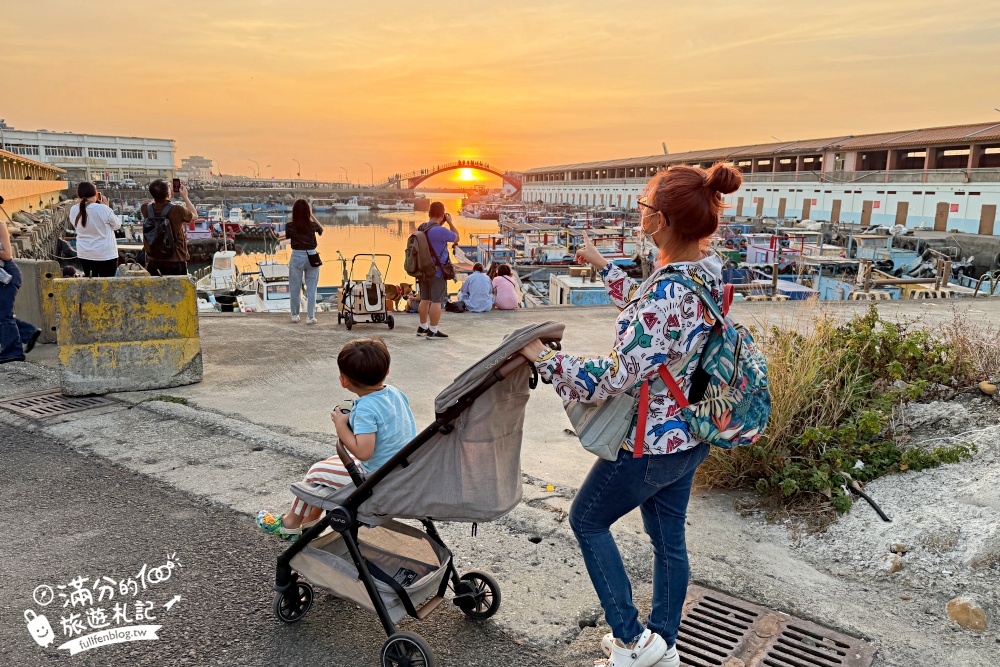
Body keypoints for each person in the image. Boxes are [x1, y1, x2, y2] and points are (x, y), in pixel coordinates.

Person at [518, 163, 742, 667]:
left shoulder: (666, 293)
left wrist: (545, 359)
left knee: (587, 520)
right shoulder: (704, 273)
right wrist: (603, 265)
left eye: (644, 207)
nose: (639, 213)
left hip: (647, 444)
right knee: (669, 542)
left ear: (660, 220)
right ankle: (664, 642)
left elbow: (611, 376)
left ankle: (631, 640)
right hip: (689, 434)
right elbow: (653, 322)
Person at [256, 338, 417, 540]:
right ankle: (310, 520)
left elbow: (363, 451)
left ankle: (290, 524)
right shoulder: (394, 393)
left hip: (378, 481)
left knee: (316, 472)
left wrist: (341, 426)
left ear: (343, 381)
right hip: (399, 471)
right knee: (330, 465)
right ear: (387, 372)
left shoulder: (366, 408)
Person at [0, 217, 41, 363]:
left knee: (4, 314)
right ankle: (28, 332)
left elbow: (7, 254)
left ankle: (13, 352)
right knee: (3, 314)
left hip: (7, 275)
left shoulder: (0, 226)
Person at [416, 201, 458, 339]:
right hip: (437, 271)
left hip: (422, 270)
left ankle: (423, 326)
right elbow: (456, 237)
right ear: (442, 214)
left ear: (429, 213)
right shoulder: (441, 230)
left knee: (425, 299)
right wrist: (450, 222)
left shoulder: (422, 227)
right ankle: (433, 330)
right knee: (436, 301)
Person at [139, 179, 197, 276]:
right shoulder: (178, 210)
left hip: (154, 260)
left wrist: (163, 194)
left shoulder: (145, 208)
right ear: (168, 192)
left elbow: (155, 201)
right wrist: (185, 197)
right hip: (176, 260)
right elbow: (194, 215)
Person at [69, 182, 122, 277]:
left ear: (79, 196)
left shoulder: (73, 209)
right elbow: (117, 225)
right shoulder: (103, 209)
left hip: (85, 254)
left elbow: (76, 225)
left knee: (91, 285)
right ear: (96, 194)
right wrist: (106, 207)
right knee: (107, 285)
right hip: (106, 254)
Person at [285, 199, 323, 324]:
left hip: (296, 256)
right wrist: (311, 215)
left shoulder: (290, 226)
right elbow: (321, 230)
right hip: (311, 255)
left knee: (295, 287)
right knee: (312, 287)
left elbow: (287, 236)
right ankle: (310, 317)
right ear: (308, 211)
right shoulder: (313, 225)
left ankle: (295, 315)